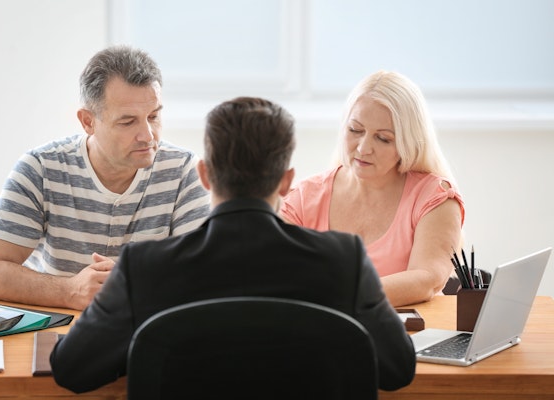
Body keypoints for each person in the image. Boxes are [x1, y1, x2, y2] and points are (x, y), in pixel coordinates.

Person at [49, 96, 416, 394]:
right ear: (287, 182)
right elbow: (397, 369)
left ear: (204, 175)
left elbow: (72, 370)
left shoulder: (143, 267)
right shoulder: (344, 261)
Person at [0, 45, 210, 310]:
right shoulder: (40, 169)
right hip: (60, 335)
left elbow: (199, 279)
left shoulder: (184, 171)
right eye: (127, 122)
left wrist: (133, 282)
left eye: (153, 116)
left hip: (148, 336)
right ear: (88, 121)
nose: (147, 135)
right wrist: (69, 291)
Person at [281, 70, 465, 307]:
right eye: (355, 130)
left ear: (407, 142)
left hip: (408, 337)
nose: (363, 148)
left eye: (383, 138)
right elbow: (277, 273)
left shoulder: (435, 197)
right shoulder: (305, 197)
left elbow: (426, 280)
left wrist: (337, 294)